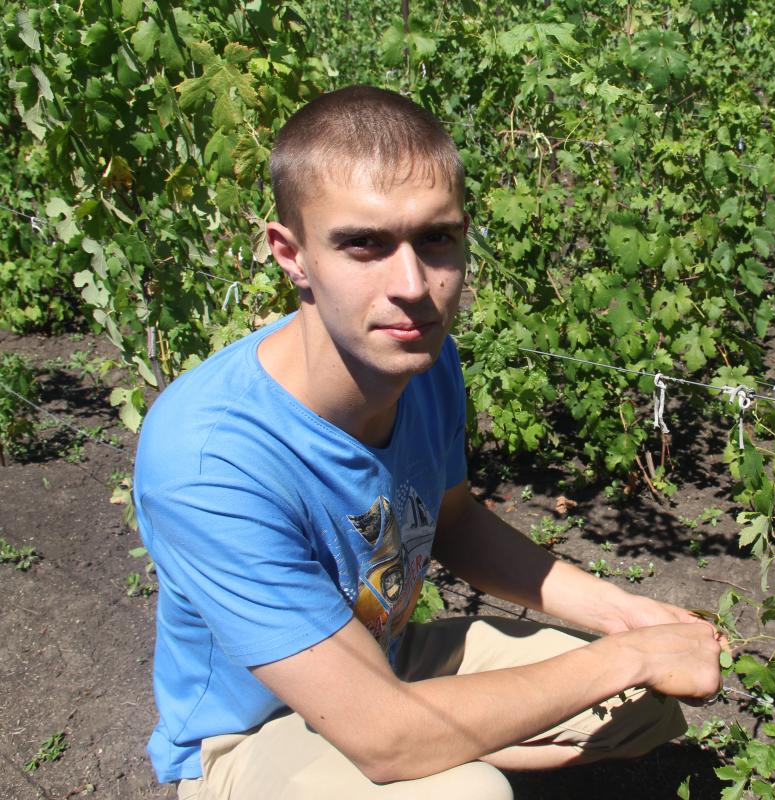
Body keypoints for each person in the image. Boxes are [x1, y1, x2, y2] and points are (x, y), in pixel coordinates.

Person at [133, 85, 723, 800]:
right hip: (249, 732)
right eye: (364, 244)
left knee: (639, 709)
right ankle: (445, 762)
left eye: (436, 238)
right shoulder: (210, 455)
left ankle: (446, 749)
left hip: (379, 661)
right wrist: (630, 654)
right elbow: (384, 736)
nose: (413, 286)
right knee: (462, 792)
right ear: (291, 254)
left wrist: (631, 618)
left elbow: (454, 523)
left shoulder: (424, 361)